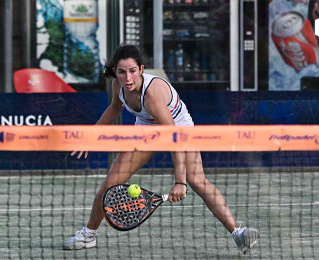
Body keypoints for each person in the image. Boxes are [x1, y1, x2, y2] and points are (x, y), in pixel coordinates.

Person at [63, 44, 259, 254]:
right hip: (146, 131)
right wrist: (89, 137)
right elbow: (114, 108)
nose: (127, 78)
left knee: (197, 181)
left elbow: (172, 138)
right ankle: (89, 234)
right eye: (121, 72)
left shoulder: (152, 95)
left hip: (179, 129)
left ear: (141, 69)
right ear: (115, 72)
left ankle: (237, 233)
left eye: (132, 71)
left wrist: (180, 182)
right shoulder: (118, 86)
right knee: (111, 183)